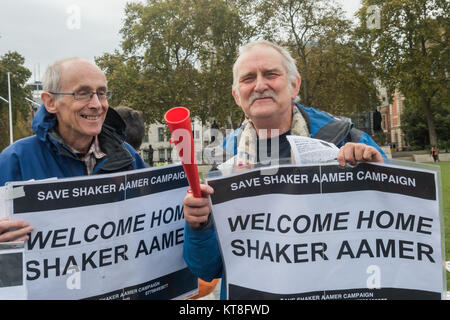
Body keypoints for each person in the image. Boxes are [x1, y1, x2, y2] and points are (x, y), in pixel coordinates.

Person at [182, 40, 386, 299]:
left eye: (271, 74)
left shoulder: (347, 140)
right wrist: (200, 225)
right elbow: (207, 269)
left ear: (294, 85)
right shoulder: (223, 160)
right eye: (247, 79)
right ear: (236, 95)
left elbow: (398, 232)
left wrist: (381, 178)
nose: (259, 85)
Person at [0, 57, 146, 242]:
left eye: (101, 93)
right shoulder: (14, 160)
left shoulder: (128, 156)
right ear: (50, 102)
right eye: (82, 93)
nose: (97, 104)